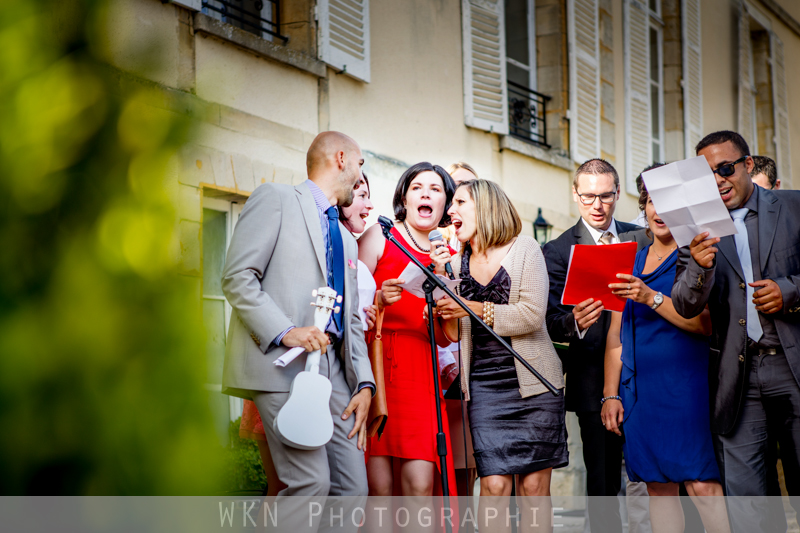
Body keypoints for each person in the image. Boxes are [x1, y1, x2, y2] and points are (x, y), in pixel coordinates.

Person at [220, 131, 375, 533]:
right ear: (341, 158)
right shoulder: (276, 198)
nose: (361, 177)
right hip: (280, 364)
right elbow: (238, 277)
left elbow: (353, 320)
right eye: (360, 165)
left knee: (353, 488)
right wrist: (286, 331)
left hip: (337, 373)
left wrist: (365, 385)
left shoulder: (346, 237)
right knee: (309, 482)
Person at [672, 130, 800, 532]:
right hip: (738, 376)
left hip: (793, 366)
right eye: (707, 175)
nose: (717, 181)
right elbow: (685, 304)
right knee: (746, 500)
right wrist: (699, 266)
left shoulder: (795, 207)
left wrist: (790, 291)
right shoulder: (693, 229)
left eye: (725, 169)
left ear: (747, 164)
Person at [431, 179, 567, 531]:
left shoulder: (525, 248)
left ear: (484, 207)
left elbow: (531, 315)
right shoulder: (458, 261)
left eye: (459, 202)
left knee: (534, 488)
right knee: (492, 486)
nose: (450, 211)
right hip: (485, 388)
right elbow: (452, 335)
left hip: (534, 384)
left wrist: (471, 307)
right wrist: (443, 301)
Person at [601, 183, 729, 533]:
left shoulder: (697, 258)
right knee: (657, 487)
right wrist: (611, 394)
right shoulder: (630, 259)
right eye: (653, 203)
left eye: (670, 206)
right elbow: (615, 334)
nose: (659, 212)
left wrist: (650, 297)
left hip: (685, 386)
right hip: (639, 390)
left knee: (702, 483)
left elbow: (704, 325)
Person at [542, 158, 648, 533]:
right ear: (575, 194)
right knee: (602, 478)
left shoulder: (644, 239)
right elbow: (549, 321)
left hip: (646, 368)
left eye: (605, 196)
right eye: (588, 197)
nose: (597, 205)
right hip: (590, 378)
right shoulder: (556, 250)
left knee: (662, 472)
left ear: (618, 193)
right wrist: (574, 323)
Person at [358, 162, 458, 503]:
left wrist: (444, 278)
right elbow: (351, 297)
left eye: (435, 189)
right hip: (378, 365)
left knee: (420, 485)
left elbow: (448, 337)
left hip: (421, 371)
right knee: (379, 487)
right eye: (417, 187)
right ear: (404, 196)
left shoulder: (449, 254)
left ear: (446, 203)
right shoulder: (380, 235)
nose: (426, 193)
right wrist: (379, 298)